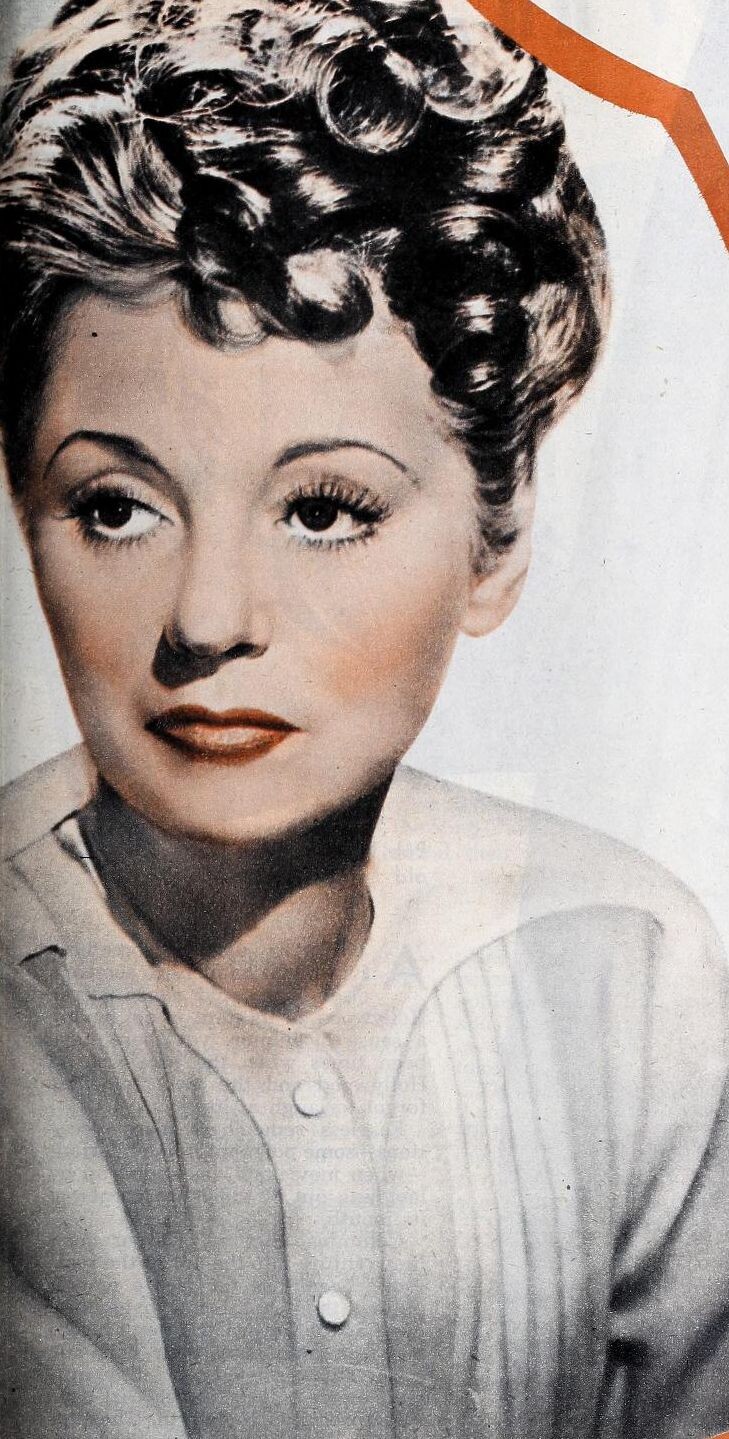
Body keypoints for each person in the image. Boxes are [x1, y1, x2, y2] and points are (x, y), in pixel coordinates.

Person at [1, 1, 727, 1436]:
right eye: (118, 506)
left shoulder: (624, 970)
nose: (209, 617)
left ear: (498, 535)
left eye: (325, 509)